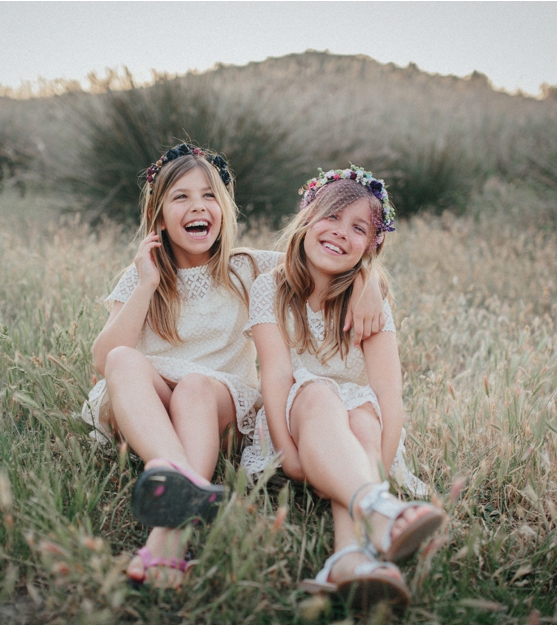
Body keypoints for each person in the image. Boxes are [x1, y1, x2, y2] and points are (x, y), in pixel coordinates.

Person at [83, 146, 386, 588]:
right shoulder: (141, 275)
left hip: (215, 405)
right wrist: (147, 284)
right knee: (121, 359)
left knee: (194, 387)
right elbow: (101, 360)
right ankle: (180, 474)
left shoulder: (246, 267)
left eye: (208, 195)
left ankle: (167, 535)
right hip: (146, 408)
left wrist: (368, 280)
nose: (197, 206)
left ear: (223, 209)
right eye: (180, 197)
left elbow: (322, 256)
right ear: (159, 215)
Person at [242, 166, 444, 606]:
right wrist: (287, 453)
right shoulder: (270, 289)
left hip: (358, 428)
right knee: (317, 390)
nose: (340, 234)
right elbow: (275, 375)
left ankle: (351, 556)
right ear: (307, 221)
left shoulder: (370, 302)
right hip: (293, 419)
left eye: (359, 229)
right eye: (331, 218)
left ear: (372, 246)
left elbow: (389, 393)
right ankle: (378, 512)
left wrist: (383, 466)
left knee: (364, 417)